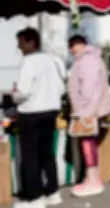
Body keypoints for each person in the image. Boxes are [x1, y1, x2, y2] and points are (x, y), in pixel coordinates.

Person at [13, 28, 66, 208]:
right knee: (46, 154)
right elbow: (61, 88)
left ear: (30, 42)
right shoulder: (51, 60)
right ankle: (53, 192)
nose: (18, 47)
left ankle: (34, 198)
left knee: (30, 157)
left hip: (31, 114)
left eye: (20, 42)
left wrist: (14, 96)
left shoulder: (28, 62)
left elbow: (23, 91)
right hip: (50, 111)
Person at [66, 34, 110, 198]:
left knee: (87, 143)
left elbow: (88, 86)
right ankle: (91, 177)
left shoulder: (87, 60)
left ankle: (93, 179)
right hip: (90, 108)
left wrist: (82, 108)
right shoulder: (91, 58)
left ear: (77, 45)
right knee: (89, 143)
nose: (70, 50)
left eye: (71, 46)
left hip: (87, 110)